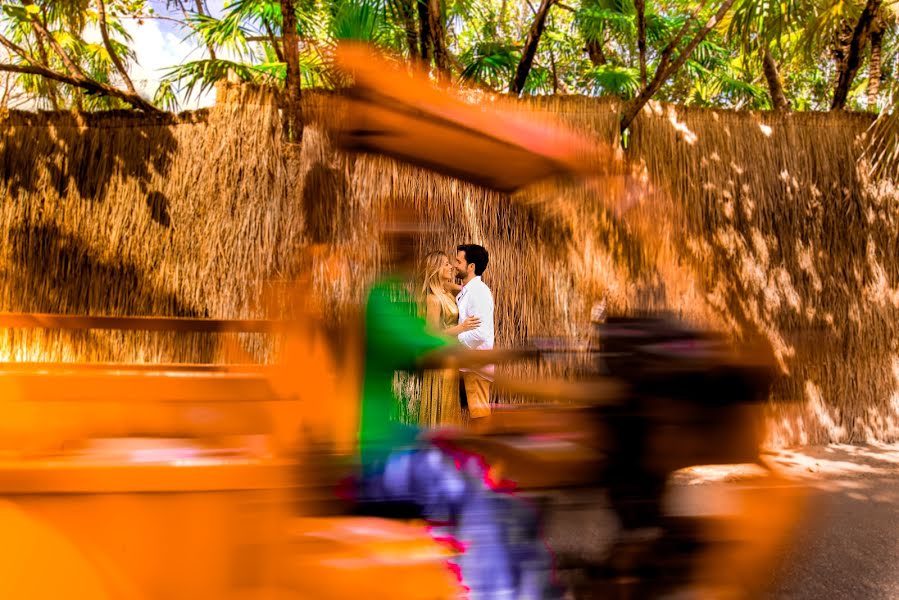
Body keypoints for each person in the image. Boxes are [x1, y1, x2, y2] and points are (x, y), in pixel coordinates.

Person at [356, 217, 560, 599]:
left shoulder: (401, 299)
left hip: (403, 433)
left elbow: (446, 342)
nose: (452, 266)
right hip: (384, 450)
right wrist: (516, 358)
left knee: (480, 468)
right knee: (478, 501)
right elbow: (438, 346)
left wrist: (511, 355)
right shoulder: (385, 299)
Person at [419, 251, 480, 427]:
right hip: (440, 361)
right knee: (443, 406)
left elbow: (465, 289)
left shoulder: (446, 292)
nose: (451, 266)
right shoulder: (433, 299)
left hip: (451, 358)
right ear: (436, 269)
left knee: (450, 404)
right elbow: (431, 335)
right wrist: (462, 328)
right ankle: (439, 444)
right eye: (445, 264)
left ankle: (447, 444)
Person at [453, 244, 495, 423]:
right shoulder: (468, 291)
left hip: (475, 367)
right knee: (471, 417)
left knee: (480, 419)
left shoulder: (478, 292)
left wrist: (455, 341)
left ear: (471, 267)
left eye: (458, 261)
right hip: (467, 365)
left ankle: (487, 451)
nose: (455, 265)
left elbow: (481, 333)